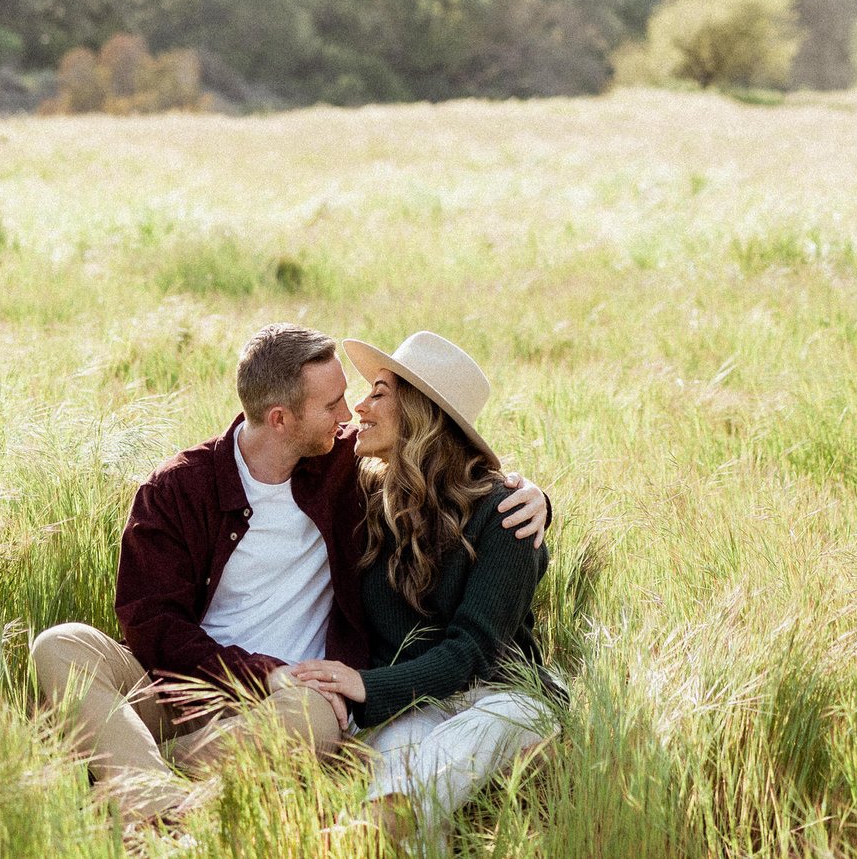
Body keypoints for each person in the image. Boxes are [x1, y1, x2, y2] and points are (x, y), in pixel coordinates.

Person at [29, 323, 551, 826]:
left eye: (359, 397)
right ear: (280, 418)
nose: (350, 415)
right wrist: (254, 670)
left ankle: (135, 783)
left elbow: (447, 469)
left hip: (291, 704)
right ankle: (168, 799)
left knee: (317, 713)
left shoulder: (348, 469)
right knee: (60, 645)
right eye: (332, 406)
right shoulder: (177, 490)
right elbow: (152, 624)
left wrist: (536, 499)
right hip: (183, 692)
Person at [286, 332, 561, 850]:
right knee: (402, 752)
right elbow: (271, 448)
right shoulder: (364, 495)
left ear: (422, 410)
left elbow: (475, 652)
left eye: (380, 393)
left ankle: (373, 829)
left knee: (492, 724)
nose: (359, 407)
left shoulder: (504, 516)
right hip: (413, 701)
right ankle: (379, 830)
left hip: (503, 694)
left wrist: (367, 687)